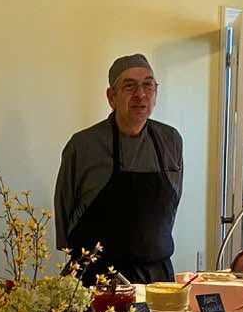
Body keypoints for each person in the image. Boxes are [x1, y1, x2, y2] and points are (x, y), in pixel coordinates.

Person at [54, 54, 183, 285]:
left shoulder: (170, 140)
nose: (140, 94)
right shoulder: (83, 146)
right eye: (129, 86)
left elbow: (171, 207)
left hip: (157, 278)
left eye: (148, 85)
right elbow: (65, 213)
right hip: (97, 278)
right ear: (111, 97)